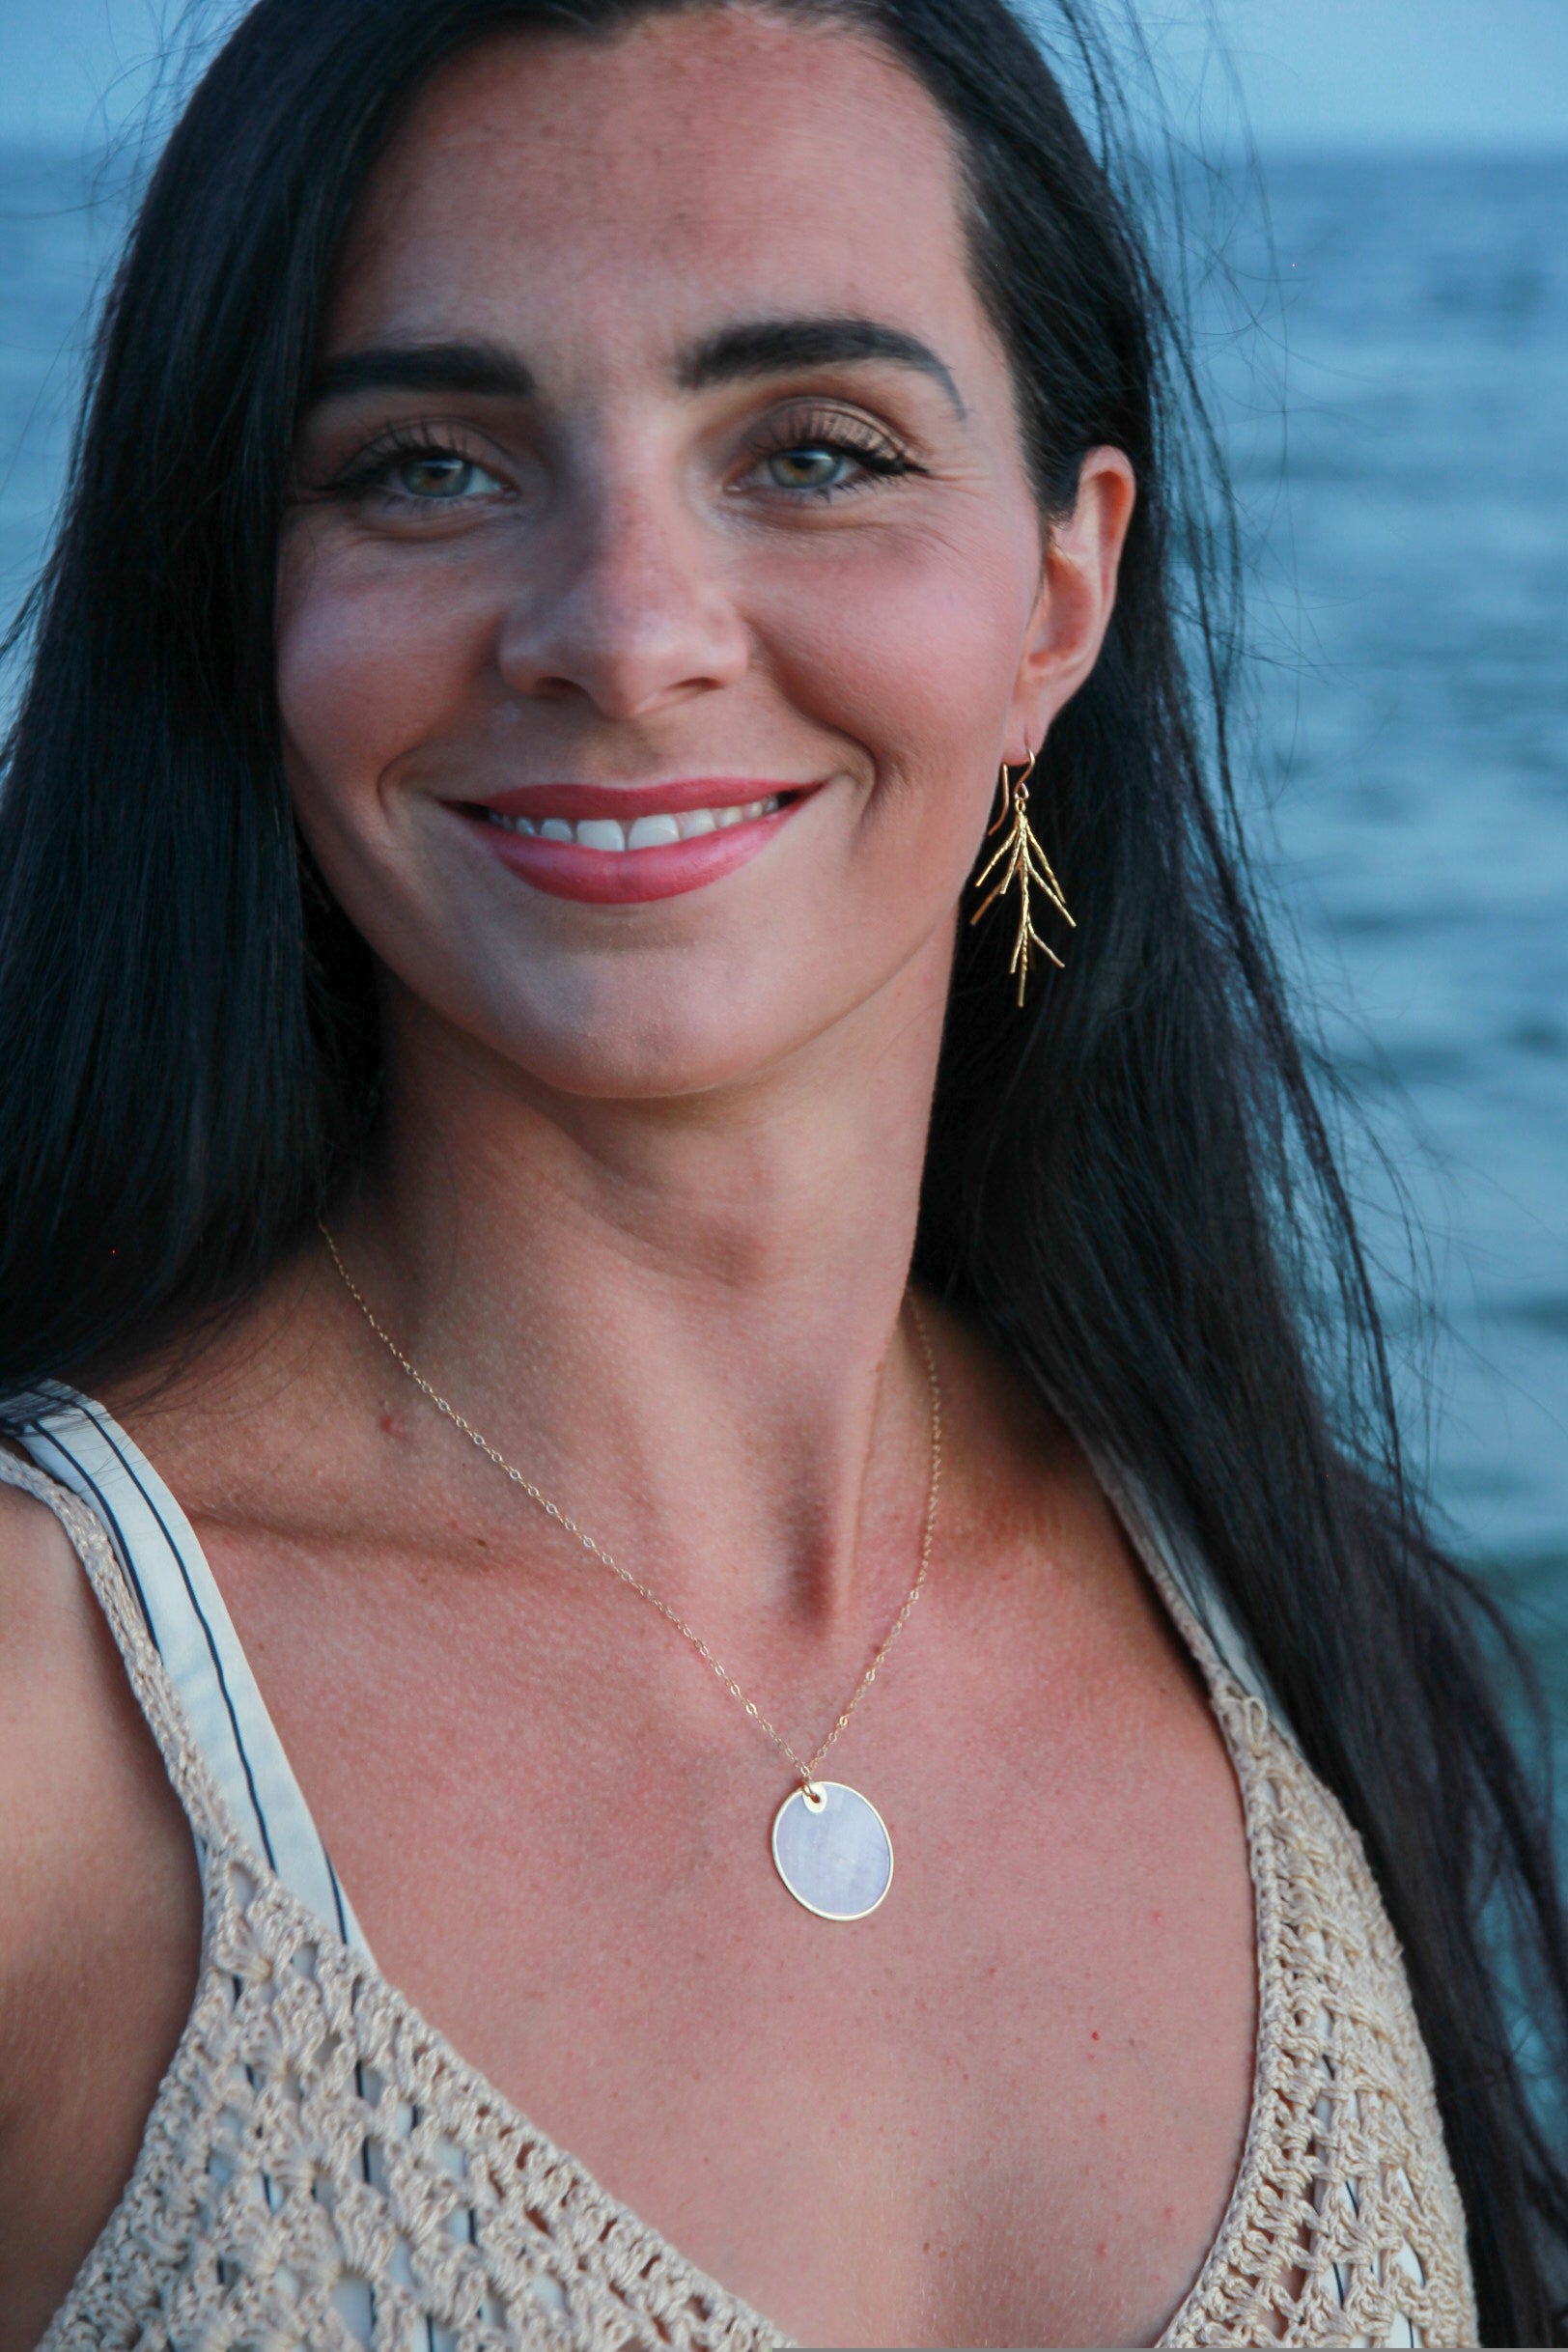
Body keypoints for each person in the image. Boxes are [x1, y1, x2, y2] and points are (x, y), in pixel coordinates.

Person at [0, 0, 1564, 2342]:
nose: (626, 634)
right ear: (252, 606)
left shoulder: (1278, 1604)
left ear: (1058, 596)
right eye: (424, 465)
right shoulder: (52, 1726)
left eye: (815, 450)